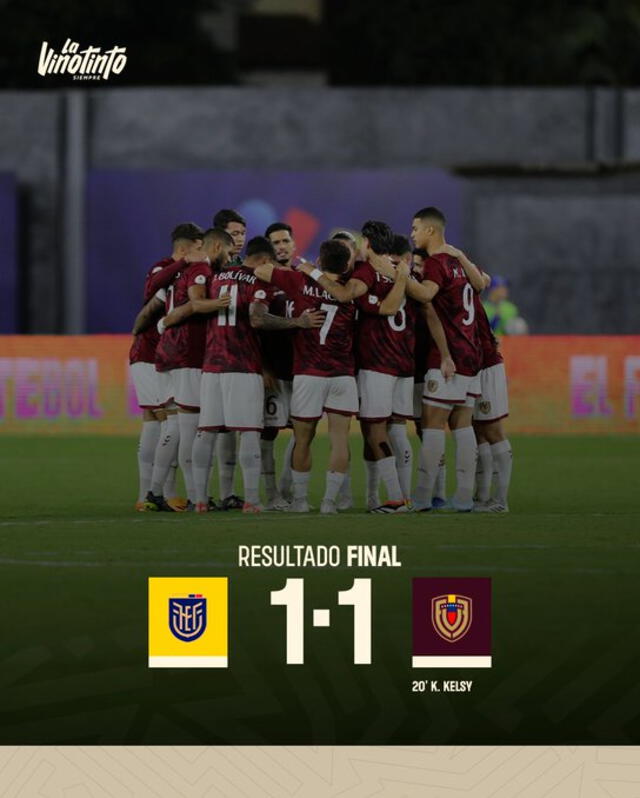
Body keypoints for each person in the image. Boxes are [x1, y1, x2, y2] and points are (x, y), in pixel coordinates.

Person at [165, 235, 323, 513]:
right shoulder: (260, 281)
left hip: (212, 366)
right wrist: (299, 321)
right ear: (264, 260)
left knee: (207, 432)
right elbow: (258, 318)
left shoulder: (217, 277)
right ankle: (252, 499)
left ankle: (200, 500)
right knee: (249, 433)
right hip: (242, 365)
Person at [297, 220, 410, 513]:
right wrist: (402, 279)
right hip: (400, 363)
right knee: (387, 430)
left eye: (360, 242)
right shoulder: (396, 269)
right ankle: (386, 496)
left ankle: (396, 497)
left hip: (375, 362)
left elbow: (350, 296)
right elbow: (411, 300)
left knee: (375, 432)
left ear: (368, 244)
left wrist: (312, 270)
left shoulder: (365, 274)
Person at [254, 239, 358, 514]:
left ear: (321, 261)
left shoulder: (299, 282)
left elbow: (261, 271)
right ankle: (329, 503)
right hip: (342, 374)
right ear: (347, 264)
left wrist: (305, 269)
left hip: (309, 373)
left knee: (303, 439)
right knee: (339, 440)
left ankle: (300, 501)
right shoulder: (352, 288)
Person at [143, 227, 231, 511]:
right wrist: (217, 304)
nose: (229, 259)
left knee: (176, 427)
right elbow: (195, 301)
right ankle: (196, 497)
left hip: (169, 352)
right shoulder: (201, 267)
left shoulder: (179, 270)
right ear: (216, 246)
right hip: (187, 353)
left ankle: (155, 492)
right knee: (190, 428)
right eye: (228, 252)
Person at [408, 206, 485, 512]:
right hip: (472, 353)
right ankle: (464, 496)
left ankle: (424, 496)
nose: (412, 234)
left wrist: (398, 275)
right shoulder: (458, 262)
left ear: (430, 230)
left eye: (415, 228)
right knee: (463, 425)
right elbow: (480, 286)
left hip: (448, 356)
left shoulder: (437, 264)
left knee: (433, 424)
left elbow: (426, 296)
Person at [130, 222, 206, 512]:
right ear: (186, 248)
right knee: (165, 418)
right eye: (198, 248)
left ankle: (159, 494)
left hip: (163, 353)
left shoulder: (188, 273)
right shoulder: (163, 269)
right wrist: (184, 263)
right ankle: (150, 493)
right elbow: (150, 294)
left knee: (161, 419)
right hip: (150, 353)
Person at [211, 208, 248, 507]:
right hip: (208, 359)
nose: (240, 239)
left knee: (229, 429)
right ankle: (190, 494)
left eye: (242, 233)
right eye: (234, 234)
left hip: (236, 358)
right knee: (203, 428)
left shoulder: (244, 268)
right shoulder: (206, 269)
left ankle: (225, 494)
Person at [472, 293, 513, 512]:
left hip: (486, 364)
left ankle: (500, 500)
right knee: (478, 430)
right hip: (473, 366)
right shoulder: (463, 289)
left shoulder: (459, 291)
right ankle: (481, 497)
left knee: (493, 430)